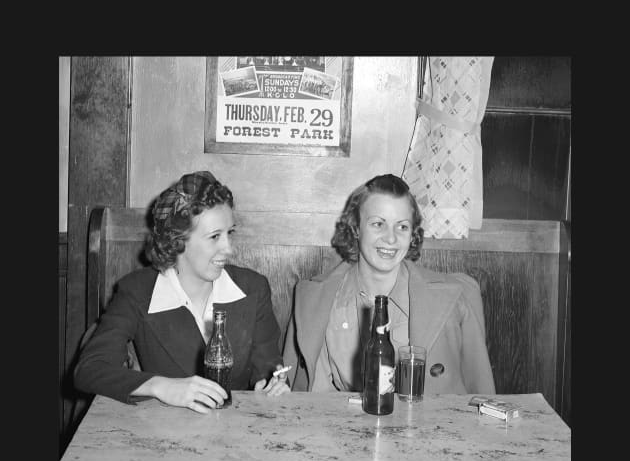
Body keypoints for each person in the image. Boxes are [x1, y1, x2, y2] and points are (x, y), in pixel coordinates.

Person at [74, 171, 289, 413]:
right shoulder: (137, 292)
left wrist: (272, 383)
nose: (228, 248)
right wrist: (160, 387)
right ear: (178, 241)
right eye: (215, 236)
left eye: (230, 233)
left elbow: (269, 365)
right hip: (164, 435)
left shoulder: (253, 288)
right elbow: (89, 369)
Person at [283, 174, 496, 395]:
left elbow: (481, 396)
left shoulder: (457, 298)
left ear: (412, 233)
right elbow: (301, 397)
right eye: (378, 224)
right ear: (356, 228)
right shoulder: (313, 299)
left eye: (402, 227)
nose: (391, 239)